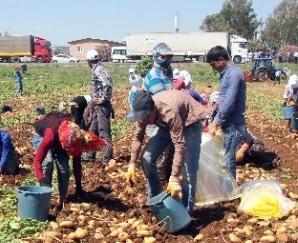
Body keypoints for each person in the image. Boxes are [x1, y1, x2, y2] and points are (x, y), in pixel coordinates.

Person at [130, 90, 208, 215]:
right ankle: (157, 199)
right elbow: (138, 136)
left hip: (189, 123)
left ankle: (186, 212)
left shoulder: (169, 111)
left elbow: (179, 144)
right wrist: (132, 163)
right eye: (141, 118)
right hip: (165, 126)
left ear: (153, 109)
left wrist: (174, 177)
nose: (143, 121)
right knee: (146, 157)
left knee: (188, 172)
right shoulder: (143, 114)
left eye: (146, 117)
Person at [32, 112, 107, 208]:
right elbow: (37, 161)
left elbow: (76, 163)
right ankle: (45, 196)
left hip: (60, 138)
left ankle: (62, 198)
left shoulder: (75, 137)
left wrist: (79, 186)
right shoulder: (50, 136)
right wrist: (42, 181)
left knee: (63, 167)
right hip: (41, 135)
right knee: (48, 162)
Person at [125, 42, 174, 184]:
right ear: (157, 57)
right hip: (157, 119)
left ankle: (167, 182)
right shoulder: (154, 77)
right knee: (155, 159)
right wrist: (132, 162)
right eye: (165, 56)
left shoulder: (167, 72)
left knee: (171, 161)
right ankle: (156, 189)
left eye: (169, 56)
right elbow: (166, 104)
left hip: (169, 121)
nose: (168, 59)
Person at [207, 45, 247, 182]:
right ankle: (227, 190)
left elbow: (229, 102)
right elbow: (224, 99)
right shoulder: (227, 74)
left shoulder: (233, 74)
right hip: (229, 124)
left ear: (220, 59)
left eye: (213, 64)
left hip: (233, 125)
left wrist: (216, 122)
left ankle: (230, 192)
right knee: (225, 158)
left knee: (227, 159)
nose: (213, 68)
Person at [84, 49, 114, 165]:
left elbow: (108, 84)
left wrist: (104, 98)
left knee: (104, 132)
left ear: (89, 61)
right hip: (97, 106)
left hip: (102, 106)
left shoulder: (99, 70)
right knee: (93, 131)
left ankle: (107, 158)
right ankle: (90, 155)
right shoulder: (98, 69)